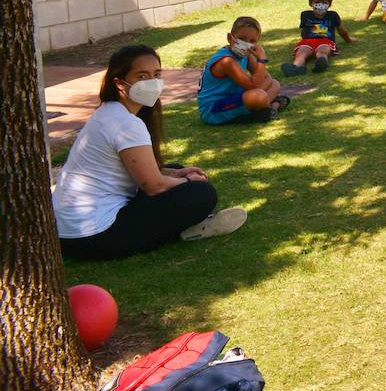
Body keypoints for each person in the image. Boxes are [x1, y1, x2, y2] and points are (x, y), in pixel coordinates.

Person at [53, 44, 247, 260]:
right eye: (142, 76)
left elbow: (135, 170)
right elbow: (153, 186)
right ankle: (189, 228)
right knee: (202, 193)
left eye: (156, 75)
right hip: (94, 236)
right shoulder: (126, 123)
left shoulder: (109, 111)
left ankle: (188, 221)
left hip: (67, 234)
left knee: (174, 169)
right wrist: (188, 182)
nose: (152, 83)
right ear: (119, 83)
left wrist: (174, 174)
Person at [197, 16, 290, 125]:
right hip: (214, 109)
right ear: (230, 38)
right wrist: (262, 60)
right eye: (242, 39)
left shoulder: (246, 55)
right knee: (259, 96)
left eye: (252, 41)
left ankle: (268, 107)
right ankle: (269, 108)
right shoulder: (226, 61)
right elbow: (253, 86)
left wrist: (260, 84)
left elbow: (265, 77)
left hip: (234, 97)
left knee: (275, 84)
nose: (246, 44)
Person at [283, 0, 354, 76]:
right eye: (317, 2)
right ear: (310, 3)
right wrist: (303, 42)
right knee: (301, 53)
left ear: (329, 4)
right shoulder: (305, 15)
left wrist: (349, 40)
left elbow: (342, 31)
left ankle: (321, 64)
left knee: (322, 51)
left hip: (325, 41)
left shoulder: (333, 15)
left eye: (324, 2)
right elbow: (302, 30)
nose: (320, 5)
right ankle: (296, 68)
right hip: (307, 41)